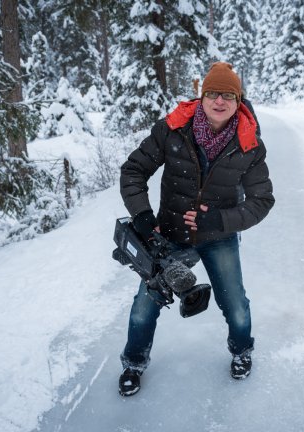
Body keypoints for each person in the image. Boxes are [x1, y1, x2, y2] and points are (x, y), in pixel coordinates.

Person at [117, 62, 275, 396]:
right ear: (202, 97)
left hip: (219, 237)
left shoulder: (248, 143)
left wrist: (219, 220)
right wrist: (143, 215)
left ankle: (242, 351)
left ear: (238, 100)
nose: (220, 101)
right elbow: (133, 170)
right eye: (214, 94)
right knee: (145, 303)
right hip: (170, 234)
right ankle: (133, 362)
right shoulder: (173, 129)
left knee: (235, 303)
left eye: (228, 95)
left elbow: (262, 200)